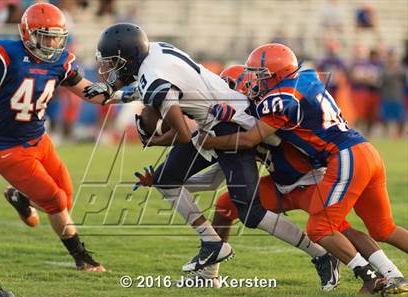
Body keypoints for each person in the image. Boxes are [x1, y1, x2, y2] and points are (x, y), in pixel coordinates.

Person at [85, 24, 331, 273]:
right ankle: (212, 242)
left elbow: (181, 134)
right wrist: (114, 94)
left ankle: (321, 255)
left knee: (251, 213)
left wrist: (153, 140)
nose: (108, 68)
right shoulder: (154, 52)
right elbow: (147, 88)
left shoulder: (155, 78)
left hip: (231, 125)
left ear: (129, 59)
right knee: (166, 180)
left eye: (112, 62)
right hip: (214, 122)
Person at [198, 43, 408, 294]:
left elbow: (251, 137)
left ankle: (376, 276)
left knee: (323, 228)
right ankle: (209, 273)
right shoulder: (302, 80)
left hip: (339, 160)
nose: (255, 82)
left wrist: (211, 140)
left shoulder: (277, 100)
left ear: (275, 74)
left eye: (259, 75)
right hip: (356, 154)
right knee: (382, 228)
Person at [0, 3, 134, 271]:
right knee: (55, 201)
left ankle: (21, 198)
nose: (52, 41)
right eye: (45, 35)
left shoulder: (59, 61)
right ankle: (83, 258)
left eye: (56, 35)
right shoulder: (3, 55)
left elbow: (92, 93)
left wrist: (126, 92)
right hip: (6, 146)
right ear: (28, 33)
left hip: (39, 140)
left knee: (65, 198)